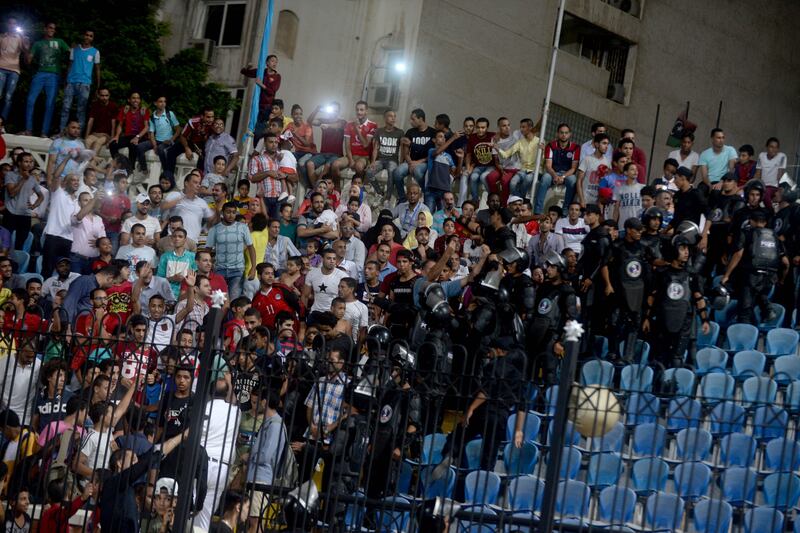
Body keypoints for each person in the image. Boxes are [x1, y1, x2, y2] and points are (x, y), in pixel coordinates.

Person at [433, 337, 525, 476]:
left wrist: (471, 409)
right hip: (500, 417)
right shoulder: (518, 375)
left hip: (483, 411)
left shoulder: (493, 366)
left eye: (491, 350)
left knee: (458, 435)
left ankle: (450, 454)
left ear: (500, 351)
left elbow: (485, 391)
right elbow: (522, 406)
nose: (489, 353)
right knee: (489, 454)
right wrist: (518, 430)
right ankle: (484, 479)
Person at [643, 237, 711, 368]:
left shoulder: (692, 274)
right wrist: (647, 318)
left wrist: (705, 320)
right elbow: (652, 297)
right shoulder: (661, 273)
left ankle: (674, 386)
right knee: (660, 359)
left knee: (677, 359)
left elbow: (699, 298)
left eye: (687, 249)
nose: (686, 252)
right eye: (682, 249)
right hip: (662, 320)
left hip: (684, 321)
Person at [722, 208, 789, 325]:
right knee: (757, 293)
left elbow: (738, 254)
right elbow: (786, 263)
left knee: (745, 310)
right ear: (765, 222)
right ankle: (767, 308)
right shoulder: (775, 237)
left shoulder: (747, 233)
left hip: (750, 276)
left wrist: (727, 274)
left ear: (751, 221)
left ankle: (745, 335)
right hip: (769, 279)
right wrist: (782, 279)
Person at [526, 251, 579, 384]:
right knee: (530, 374)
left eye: (552, 267)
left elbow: (572, 320)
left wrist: (561, 342)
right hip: (536, 335)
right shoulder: (543, 287)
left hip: (552, 338)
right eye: (548, 266)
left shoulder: (567, 291)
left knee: (549, 375)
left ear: (560, 269)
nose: (548, 269)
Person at [23, 21, 69, 136]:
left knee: (50, 104)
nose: (52, 30)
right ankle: (28, 129)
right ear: (45, 29)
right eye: (50, 28)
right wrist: (26, 49)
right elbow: (28, 61)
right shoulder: (38, 44)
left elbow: (72, 54)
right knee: (30, 100)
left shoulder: (59, 42)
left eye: (54, 28)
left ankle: (44, 132)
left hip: (54, 75)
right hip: (40, 74)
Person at [207, 202, 256, 299]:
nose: (231, 215)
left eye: (234, 212)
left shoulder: (243, 227)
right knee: (218, 302)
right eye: (228, 212)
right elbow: (207, 250)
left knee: (234, 302)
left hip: (237, 270)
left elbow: (251, 247)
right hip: (219, 270)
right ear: (223, 213)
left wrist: (253, 268)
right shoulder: (214, 229)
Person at [59, 28, 101, 132]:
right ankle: (61, 131)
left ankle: (78, 133)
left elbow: (97, 69)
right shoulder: (75, 49)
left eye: (90, 36)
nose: (88, 37)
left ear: (92, 38)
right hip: (71, 82)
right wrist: (66, 80)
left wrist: (98, 86)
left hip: (85, 84)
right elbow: (70, 64)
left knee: (81, 110)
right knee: (65, 108)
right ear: (83, 36)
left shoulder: (95, 52)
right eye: (87, 35)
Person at [2, 152, 45, 250]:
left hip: (25, 215)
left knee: (19, 246)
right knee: (5, 245)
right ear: (19, 163)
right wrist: (23, 180)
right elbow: (12, 193)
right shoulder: (10, 175)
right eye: (26, 161)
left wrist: (34, 206)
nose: (29, 164)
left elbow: (41, 196)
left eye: (31, 162)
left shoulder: (32, 179)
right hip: (11, 213)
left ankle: (15, 264)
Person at [158, 172, 216, 242]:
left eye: (199, 183)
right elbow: (163, 207)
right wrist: (182, 198)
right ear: (186, 183)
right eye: (195, 182)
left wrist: (218, 207)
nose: (198, 185)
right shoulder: (175, 195)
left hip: (193, 242)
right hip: (174, 240)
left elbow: (212, 220)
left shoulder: (202, 202)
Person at [393, 108, 436, 203]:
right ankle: (402, 197)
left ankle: (425, 193)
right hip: (411, 161)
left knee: (417, 171)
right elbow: (405, 151)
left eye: (413, 119)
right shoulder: (410, 132)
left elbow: (433, 153)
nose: (411, 121)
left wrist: (417, 163)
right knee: (397, 172)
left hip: (424, 162)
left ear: (421, 119)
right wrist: (410, 162)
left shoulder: (432, 133)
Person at [163, 107, 215, 180]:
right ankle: (169, 178)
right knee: (171, 152)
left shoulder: (213, 125)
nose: (211, 119)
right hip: (188, 141)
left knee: (204, 157)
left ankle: (199, 180)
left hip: (201, 143)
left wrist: (201, 149)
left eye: (212, 117)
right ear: (202, 116)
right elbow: (182, 136)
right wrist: (187, 148)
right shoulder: (193, 122)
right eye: (208, 117)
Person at [241, 54, 281, 137]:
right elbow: (244, 72)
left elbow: (272, 91)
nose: (275, 63)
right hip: (257, 105)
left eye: (276, 62)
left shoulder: (277, 77)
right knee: (257, 128)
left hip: (267, 107)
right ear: (267, 63)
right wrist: (248, 67)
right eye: (273, 61)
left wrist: (261, 84)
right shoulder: (261, 72)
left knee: (263, 128)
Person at [108, 91, 150, 168]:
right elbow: (120, 125)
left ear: (140, 100)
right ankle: (119, 164)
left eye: (138, 98)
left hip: (141, 136)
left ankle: (130, 168)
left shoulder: (144, 110)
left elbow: (146, 127)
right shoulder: (125, 110)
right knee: (112, 144)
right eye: (133, 98)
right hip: (128, 136)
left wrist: (137, 137)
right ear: (129, 100)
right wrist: (116, 136)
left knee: (133, 144)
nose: (136, 100)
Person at [0, 17, 29, 121]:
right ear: (7, 25)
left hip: (14, 70)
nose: (12, 25)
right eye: (10, 23)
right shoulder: (2, 36)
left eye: (14, 24)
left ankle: (2, 121)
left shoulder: (20, 38)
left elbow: (26, 52)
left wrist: (24, 42)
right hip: (1, 68)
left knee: (8, 97)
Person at [367, 109, 402, 194]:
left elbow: (403, 149)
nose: (393, 118)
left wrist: (401, 162)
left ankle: (388, 197)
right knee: (369, 172)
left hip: (393, 160)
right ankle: (379, 192)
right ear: (385, 118)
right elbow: (375, 148)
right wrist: (373, 162)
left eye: (394, 116)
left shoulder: (400, 132)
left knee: (391, 172)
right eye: (390, 116)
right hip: (381, 159)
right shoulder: (379, 131)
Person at [157, 227, 196, 300]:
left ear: (185, 240)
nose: (177, 239)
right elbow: (159, 279)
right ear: (171, 239)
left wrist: (185, 280)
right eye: (174, 236)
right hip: (166, 294)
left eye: (180, 236)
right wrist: (172, 278)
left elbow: (196, 277)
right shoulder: (165, 256)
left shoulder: (192, 257)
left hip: (185, 295)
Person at [343, 100, 377, 182]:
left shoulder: (373, 125)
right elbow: (347, 145)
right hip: (351, 156)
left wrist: (357, 129)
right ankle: (337, 188)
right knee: (335, 165)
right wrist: (351, 160)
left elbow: (365, 144)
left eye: (361, 110)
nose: (359, 112)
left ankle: (360, 187)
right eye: (357, 110)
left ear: (366, 111)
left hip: (364, 157)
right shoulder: (349, 124)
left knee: (359, 166)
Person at [464, 117, 496, 202]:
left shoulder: (493, 136)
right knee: (473, 177)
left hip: (491, 166)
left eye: (483, 128)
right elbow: (468, 155)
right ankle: (475, 201)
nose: (480, 130)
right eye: (478, 127)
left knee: (483, 177)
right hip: (478, 166)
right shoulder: (472, 137)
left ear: (487, 128)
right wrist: (468, 168)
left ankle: (492, 198)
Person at [576, 133, 611, 208]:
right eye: (604, 143)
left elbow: (607, 183)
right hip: (585, 201)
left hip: (598, 203)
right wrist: (581, 200)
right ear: (597, 144)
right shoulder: (587, 159)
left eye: (607, 144)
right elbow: (579, 180)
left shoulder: (607, 162)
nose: (606, 146)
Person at [755, 137, 787, 208]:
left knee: (766, 194)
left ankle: (770, 213)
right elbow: (758, 173)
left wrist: (779, 190)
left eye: (776, 147)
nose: (774, 150)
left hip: (773, 186)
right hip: (762, 185)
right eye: (771, 147)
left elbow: (780, 174)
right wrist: (753, 185)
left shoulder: (782, 156)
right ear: (767, 147)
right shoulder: (761, 155)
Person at [84, 87, 118, 154]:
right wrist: (86, 135)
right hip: (95, 134)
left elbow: (113, 124)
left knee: (98, 142)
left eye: (106, 95)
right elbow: (90, 121)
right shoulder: (95, 105)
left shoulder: (113, 106)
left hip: (106, 135)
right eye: (102, 95)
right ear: (98, 95)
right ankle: (88, 162)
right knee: (87, 141)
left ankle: (92, 162)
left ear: (109, 95)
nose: (104, 98)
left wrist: (111, 139)